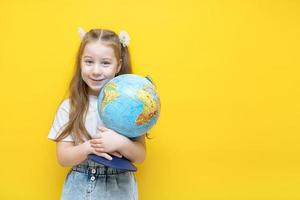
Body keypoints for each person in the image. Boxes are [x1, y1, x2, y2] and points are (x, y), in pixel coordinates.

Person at [48, 28, 146, 200]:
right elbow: (63, 158)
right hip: (79, 185)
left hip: (120, 187)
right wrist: (92, 147)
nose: (96, 70)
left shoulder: (131, 106)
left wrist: (121, 142)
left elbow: (140, 155)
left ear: (119, 65)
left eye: (105, 63)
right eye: (89, 62)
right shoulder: (70, 106)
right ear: (80, 63)